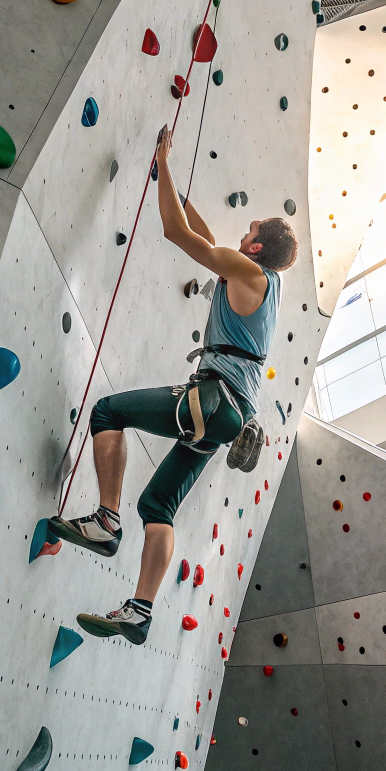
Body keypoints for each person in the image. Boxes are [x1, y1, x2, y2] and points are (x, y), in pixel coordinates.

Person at [48, 125, 299, 644]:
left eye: (248, 229)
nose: (240, 236)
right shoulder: (262, 282)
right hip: (230, 414)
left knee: (108, 412)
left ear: (254, 245)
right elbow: (208, 241)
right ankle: (140, 612)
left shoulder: (245, 270)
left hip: (214, 396)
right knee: (158, 507)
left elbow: (178, 234)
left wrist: (162, 163)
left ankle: (105, 522)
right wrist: (171, 180)